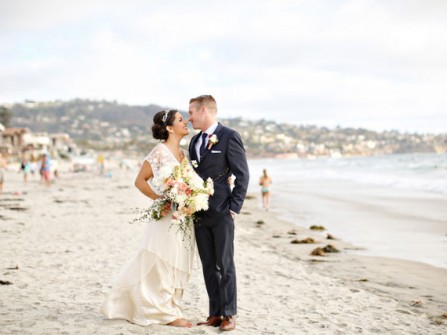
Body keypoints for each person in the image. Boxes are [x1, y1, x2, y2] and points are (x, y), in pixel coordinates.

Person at [101, 110, 195, 328]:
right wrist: (160, 199)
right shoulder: (159, 152)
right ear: (170, 128)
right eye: (181, 120)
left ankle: (171, 306)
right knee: (162, 260)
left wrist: (191, 199)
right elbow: (140, 181)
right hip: (166, 217)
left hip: (183, 216)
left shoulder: (183, 153)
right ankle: (164, 314)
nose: (186, 122)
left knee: (179, 262)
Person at [188, 95, 249, 331]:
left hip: (222, 211)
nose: (189, 117)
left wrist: (234, 208)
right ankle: (214, 313)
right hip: (198, 212)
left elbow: (242, 174)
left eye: (191, 112)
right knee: (207, 265)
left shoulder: (229, 136)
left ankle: (229, 314)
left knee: (225, 264)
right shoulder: (194, 142)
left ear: (204, 110)